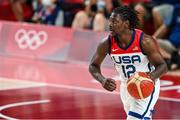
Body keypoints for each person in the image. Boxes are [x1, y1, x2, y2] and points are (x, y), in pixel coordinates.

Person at [89, 6, 168, 119]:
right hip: (126, 86)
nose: (110, 24)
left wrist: (149, 77)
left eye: (115, 22)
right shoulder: (106, 43)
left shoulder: (145, 41)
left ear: (126, 24)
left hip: (147, 84)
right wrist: (102, 80)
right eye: (110, 20)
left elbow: (163, 66)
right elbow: (93, 66)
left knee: (134, 118)